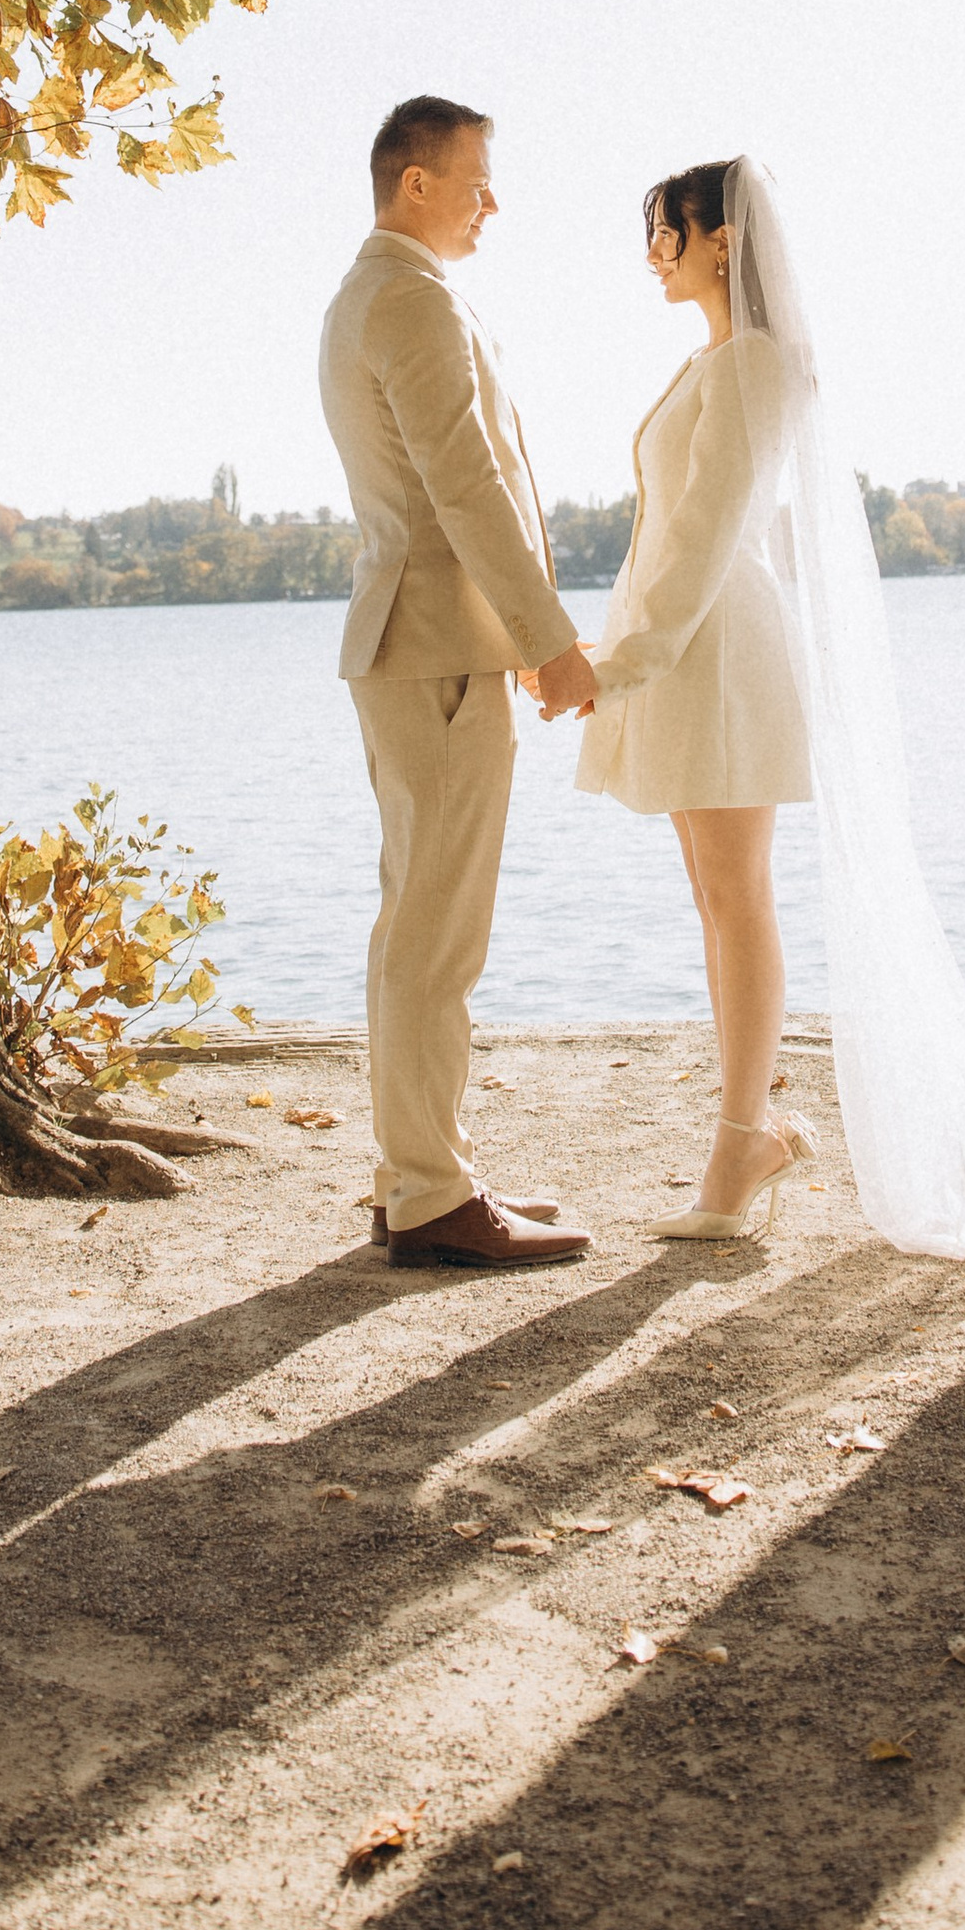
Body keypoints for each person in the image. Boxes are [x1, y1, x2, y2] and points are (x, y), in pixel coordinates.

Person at [550, 153, 965, 1278]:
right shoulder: (711, 359)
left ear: (725, 239)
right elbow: (672, 531)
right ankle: (750, 1135)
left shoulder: (759, 362)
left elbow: (708, 535)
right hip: (680, 644)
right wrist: (610, 652)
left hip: (718, 647)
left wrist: (619, 660)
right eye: (648, 236)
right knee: (714, 898)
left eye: (671, 232)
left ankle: (738, 1147)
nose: (654, 254)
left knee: (737, 895)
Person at [318, 97, 596, 1269]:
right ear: (415, 183)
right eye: (477, 180)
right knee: (435, 937)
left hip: (412, 644)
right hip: (437, 649)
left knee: (415, 926)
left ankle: (415, 1171)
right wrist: (546, 637)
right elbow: (466, 487)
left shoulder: (369, 294)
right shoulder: (410, 298)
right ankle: (430, 1191)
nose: (493, 202)